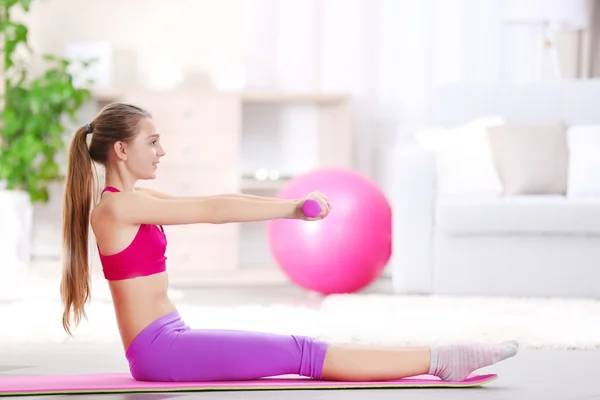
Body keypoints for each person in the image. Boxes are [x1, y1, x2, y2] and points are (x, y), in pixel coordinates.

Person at [60, 102, 518, 383]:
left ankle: (437, 357)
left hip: (172, 337)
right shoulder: (116, 209)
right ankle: (440, 358)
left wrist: (292, 205)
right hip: (160, 351)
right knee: (301, 351)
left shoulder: (139, 200)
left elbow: (217, 200)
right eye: (152, 142)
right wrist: (292, 210)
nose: (161, 152)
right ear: (121, 150)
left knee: (300, 348)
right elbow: (212, 213)